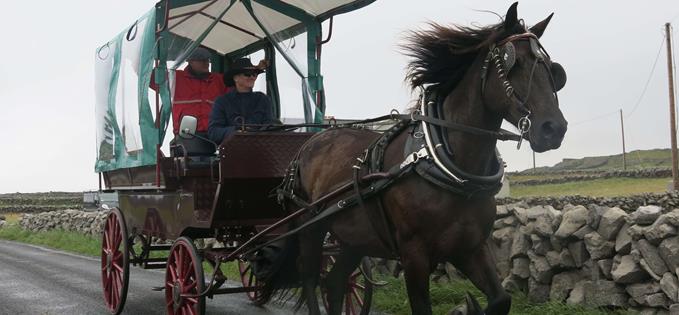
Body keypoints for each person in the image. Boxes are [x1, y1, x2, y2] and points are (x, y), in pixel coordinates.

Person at [154, 47, 229, 135]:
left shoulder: (219, 80)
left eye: (207, 60)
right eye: (201, 60)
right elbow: (149, 77)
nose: (206, 63)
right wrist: (158, 57)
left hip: (215, 133)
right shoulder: (176, 78)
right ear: (190, 61)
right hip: (187, 134)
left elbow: (236, 94)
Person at [208, 58, 274, 143]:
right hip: (231, 150)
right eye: (247, 74)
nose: (252, 77)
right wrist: (236, 131)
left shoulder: (263, 99)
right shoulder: (222, 102)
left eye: (254, 74)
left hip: (259, 148)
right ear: (235, 78)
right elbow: (213, 133)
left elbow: (269, 126)